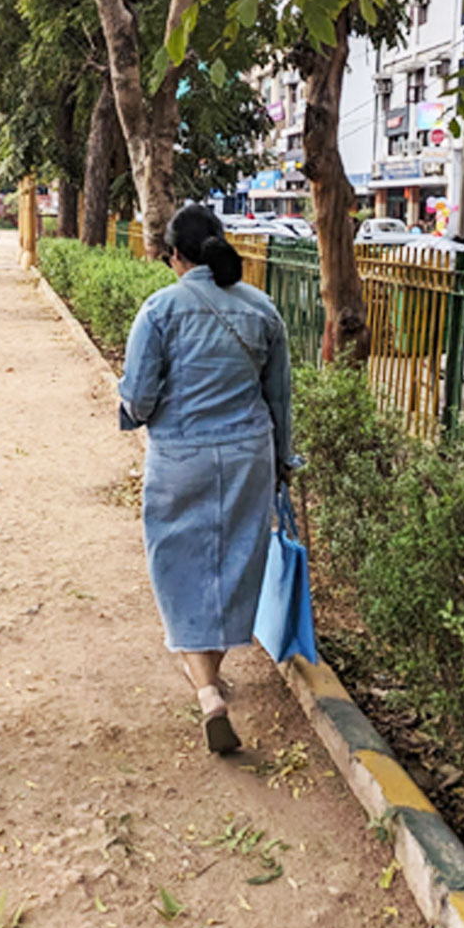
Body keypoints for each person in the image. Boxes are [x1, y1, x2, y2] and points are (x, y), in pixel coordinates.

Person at [118, 204, 294, 754]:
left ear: (175, 255)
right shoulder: (262, 308)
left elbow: (140, 398)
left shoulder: (159, 309)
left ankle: (208, 694)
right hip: (248, 456)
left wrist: (129, 410)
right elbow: (280, 398)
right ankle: (211, 678)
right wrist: (284, 459)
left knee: (178, 565)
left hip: (180, 457)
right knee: (233, 562)